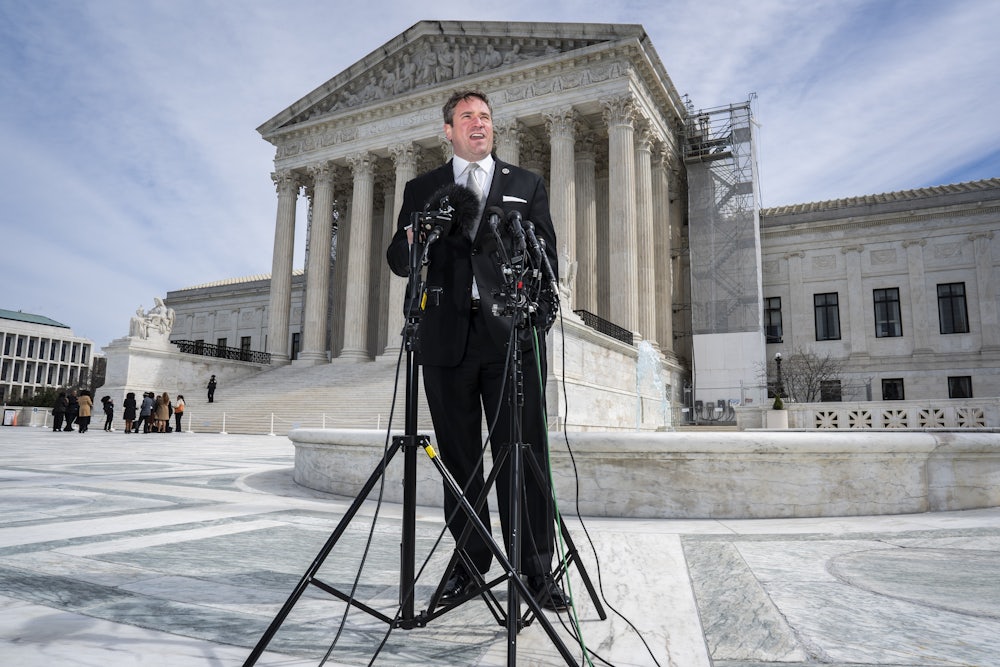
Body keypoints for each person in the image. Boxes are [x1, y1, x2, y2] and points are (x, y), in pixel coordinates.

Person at [386, 89, 566, 610]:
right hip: (445, 338)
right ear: (449, 130)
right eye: (467, 117)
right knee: (460, 461)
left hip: (511, 338)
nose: (478, 123)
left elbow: (547, 256)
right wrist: (423, 231)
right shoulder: (424, 187)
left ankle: (535, 570)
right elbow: (400, 259)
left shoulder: (526, 184)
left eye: (485, 116)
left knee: (523, 451)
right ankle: (471, 563)